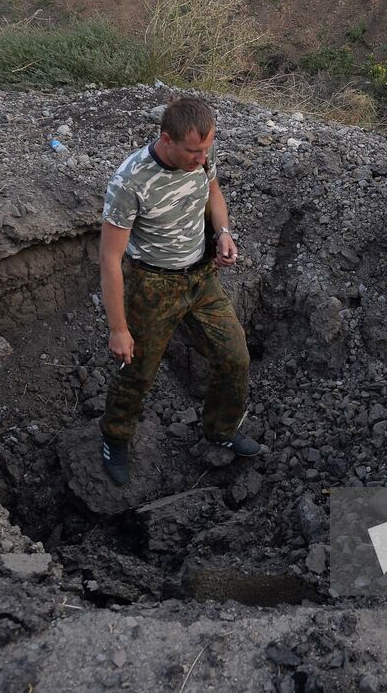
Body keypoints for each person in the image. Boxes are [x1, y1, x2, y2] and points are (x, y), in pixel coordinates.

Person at [97, 96, 260, 486]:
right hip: (153, 285)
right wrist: (118, 328)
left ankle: (221, 429)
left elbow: (213, 194)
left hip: (201, 279)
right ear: (166, 139)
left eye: (207, 149)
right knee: (137, 370)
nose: (201, 158)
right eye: (193, 151)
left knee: (234, 356)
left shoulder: (202, 157)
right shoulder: (130, 181)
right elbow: (109, 259)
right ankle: (114, 437)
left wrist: (223, 233)